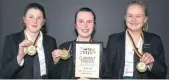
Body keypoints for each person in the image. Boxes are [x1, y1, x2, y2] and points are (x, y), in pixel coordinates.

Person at [106, 0, 167, 79]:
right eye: (130, 16)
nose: (133, 19)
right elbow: (106, 70)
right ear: (125, 18)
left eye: (138, 16)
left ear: (145, 19)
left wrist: (152, 63)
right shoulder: (113, 40)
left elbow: (162, 72)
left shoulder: (155, 40)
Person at [0, 3, 57, 79]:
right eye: (31, 17)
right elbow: (4, 74)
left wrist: (56, 62)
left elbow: (54, 75)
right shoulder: (12, 40)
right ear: (24, 20)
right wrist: (19, 57)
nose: (35, 21)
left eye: (39, 18)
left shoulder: (51, 41)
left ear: (43, 22)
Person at [52, 7, 107, 79]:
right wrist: (55, 62)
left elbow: (108, 77)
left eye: (89, 22)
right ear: (75, 25)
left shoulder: (103, 52)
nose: (85, 26)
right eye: (81, 21)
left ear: (94, 25)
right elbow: (54, 76)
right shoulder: (64, 48)